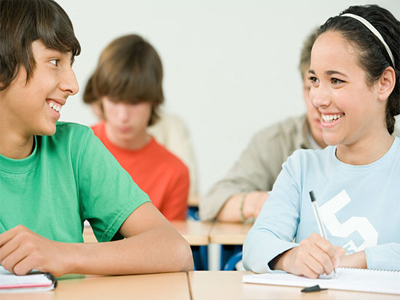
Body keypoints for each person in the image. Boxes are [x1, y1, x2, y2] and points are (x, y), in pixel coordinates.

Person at [0, 0, 193, 277]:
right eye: (55, 62)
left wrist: (62, 254)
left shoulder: (75, 148)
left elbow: (175, 250)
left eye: (70, 64)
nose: (73, 85)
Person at [243, 4, 400, 278]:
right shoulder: (300, 168)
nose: (317, 98)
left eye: (336, 80)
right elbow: (256, 245)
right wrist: (290, 257)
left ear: (384, 83)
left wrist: (360, 259)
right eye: (314, 79)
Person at [199, 28, 326, 223]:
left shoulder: (383, 141)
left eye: (334, 85)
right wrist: (258, 202)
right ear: (302, 89)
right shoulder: (274, 141)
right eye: (311, 88)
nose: (319, 102)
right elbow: (212, 203)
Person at [83, 34, 190, 221]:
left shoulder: (174, 173)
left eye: (135, 102)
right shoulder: (74, 149)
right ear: (100, 96)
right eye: (114, 101)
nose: (123, 116)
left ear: (153, 100)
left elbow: (171, 247)